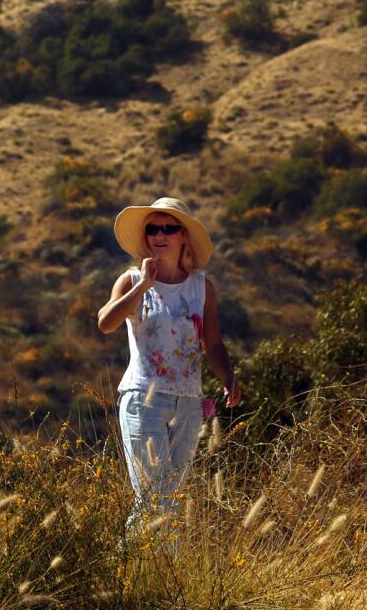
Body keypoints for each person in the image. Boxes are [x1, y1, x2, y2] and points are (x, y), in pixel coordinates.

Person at [97, 196, 241, 526]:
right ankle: (130, 574)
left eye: (169, 228)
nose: (159, 235)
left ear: (183, 236)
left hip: (189, 405)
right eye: (152, 229)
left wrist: (228, 377)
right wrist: (145, 285)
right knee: (152, 500)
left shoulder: (202, 287)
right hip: (143, 400)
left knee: (170, 506)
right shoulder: (131, 280)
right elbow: (106, 323)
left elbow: (213, 343)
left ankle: (162, 576)